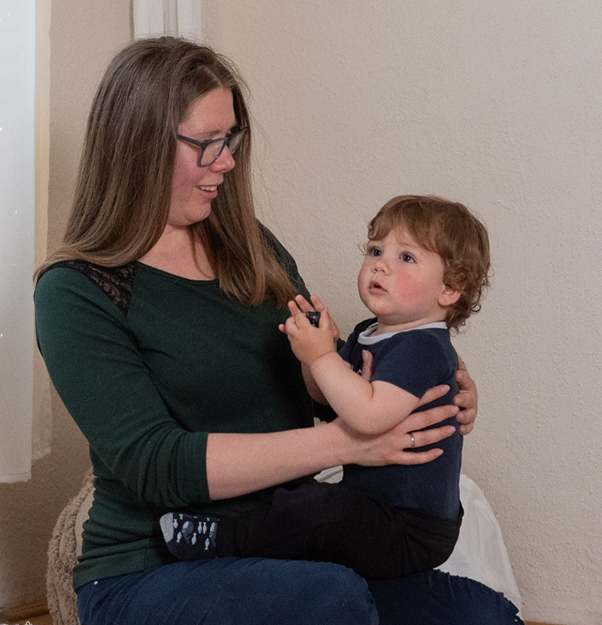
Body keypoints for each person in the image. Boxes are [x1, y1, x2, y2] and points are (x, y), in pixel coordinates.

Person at [34, 36, 537, 625]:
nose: (225, 162)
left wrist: (428, 389)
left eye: (231, 139)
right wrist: (347, 444)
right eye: (205, 143)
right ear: (138, 144)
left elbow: (323, 378)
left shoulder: (253, 249)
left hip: (287, 550)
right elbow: (156, 464)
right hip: (152, 570)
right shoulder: (76, 291)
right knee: (333, 609)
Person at [156, 194, 489, 582]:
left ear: (449, 288)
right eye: (375, 250)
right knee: (310, 508)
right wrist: (314, 352)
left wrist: (322, 357)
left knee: (317, 507)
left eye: (406, 257)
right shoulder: (370, 332)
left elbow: (368, 416)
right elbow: (323, 394)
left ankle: (221, 541)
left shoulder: (423, 347)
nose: (380, 264)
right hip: (373, 506)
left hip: (409, 526)